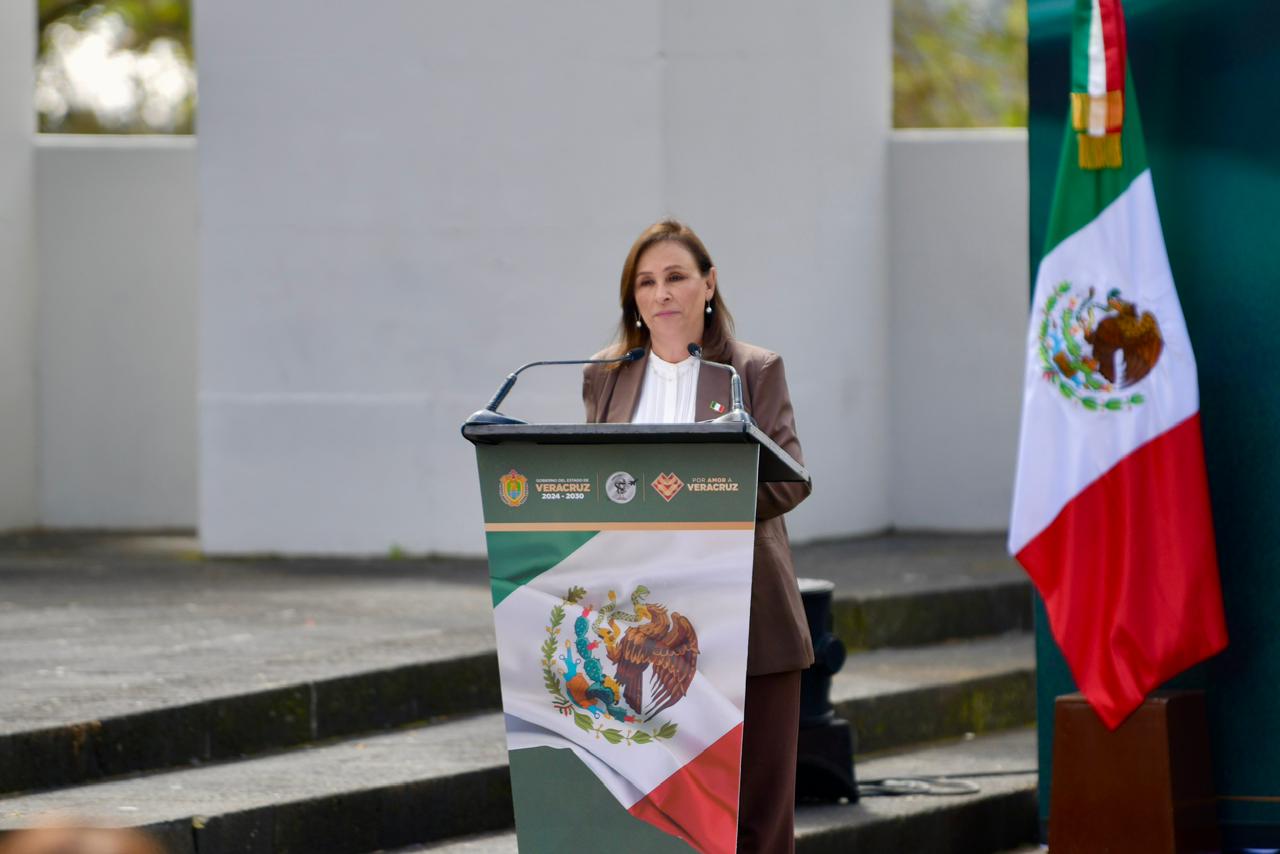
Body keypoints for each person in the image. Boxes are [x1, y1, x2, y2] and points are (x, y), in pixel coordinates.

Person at [582, 218, 814, 853]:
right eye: (647, 282)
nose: (663, 293)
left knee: (756, 818)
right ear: (634, 298)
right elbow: (598, 486)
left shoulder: (752, 370)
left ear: (708, 284)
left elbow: (791, 480)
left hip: (749, 621)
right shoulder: (606, 375)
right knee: (668, 815)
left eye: (677, 277)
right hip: (646, 631)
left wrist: (700, 510)